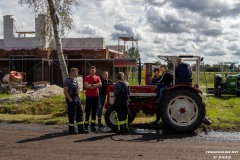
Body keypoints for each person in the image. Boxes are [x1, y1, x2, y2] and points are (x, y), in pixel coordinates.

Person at [63, 68, 88, 134]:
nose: (77, 73)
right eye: (76, 72)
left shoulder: (75, 80)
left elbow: (78, 89)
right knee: (72, 114)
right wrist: (70, 99)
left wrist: (79, 97)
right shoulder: (67, 80)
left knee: (80, 113)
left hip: (77, 99)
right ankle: (71, 129)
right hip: (71, 99)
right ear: (72, 72)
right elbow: (65, 91)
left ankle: (81, 129)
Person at [84, 66, 102, 132]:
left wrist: (93, 85)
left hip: (96, 96)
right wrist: (92, 86)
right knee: (88, 111)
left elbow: (100, 84)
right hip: (89, 96)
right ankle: (86, 125)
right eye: (91, 70)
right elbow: (86, 86)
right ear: (89, 71)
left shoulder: (97, 77)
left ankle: (93, 125)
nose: (92, 71)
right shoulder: (87, 77)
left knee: (94, 111)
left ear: (95, 71)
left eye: (93, 70)